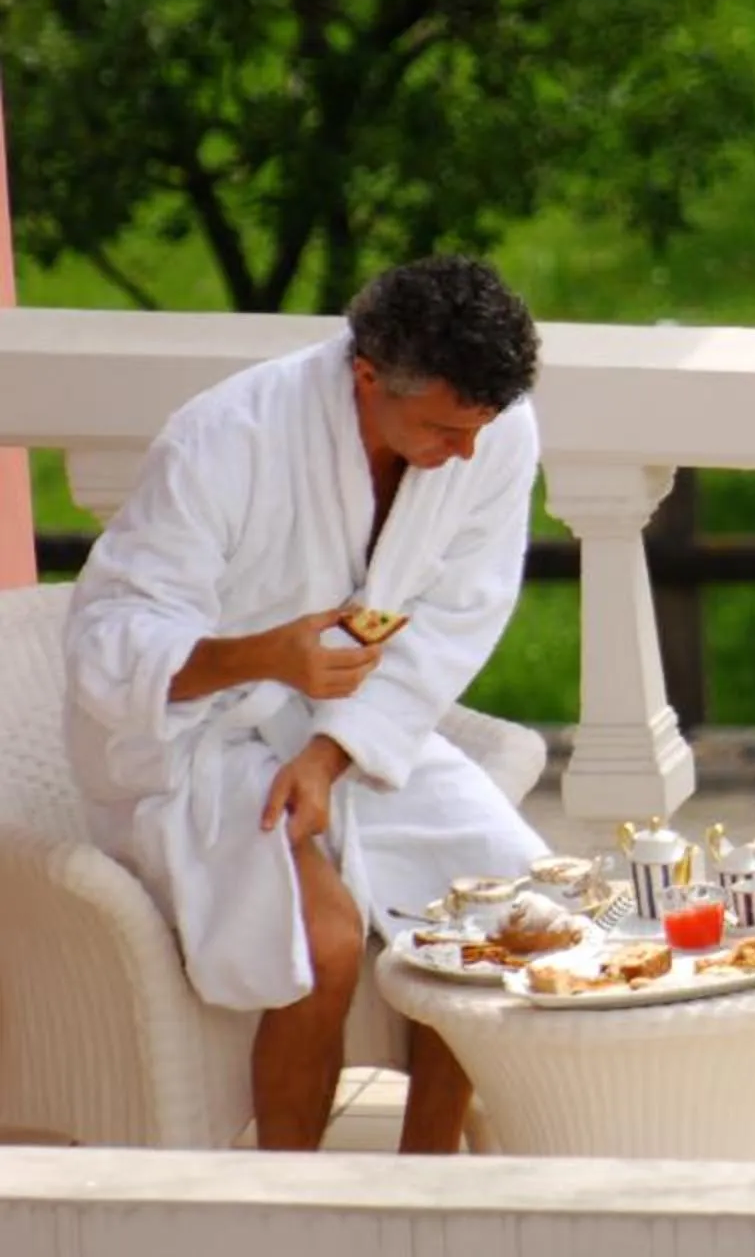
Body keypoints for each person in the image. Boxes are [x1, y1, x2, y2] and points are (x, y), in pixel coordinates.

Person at [63, 256, 546, 1153]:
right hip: (190, 737)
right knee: (322, 939)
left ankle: (424, 1174)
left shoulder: (496, 429)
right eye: (444, 427)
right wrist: (263, 657)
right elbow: (106, 645)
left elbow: (458, 617)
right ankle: (294, 1199)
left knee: (501, 911)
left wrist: (329, 755)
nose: (467, 451)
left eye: (480, 426)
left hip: (355, 729)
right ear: (368, 376)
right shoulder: (225, 440)